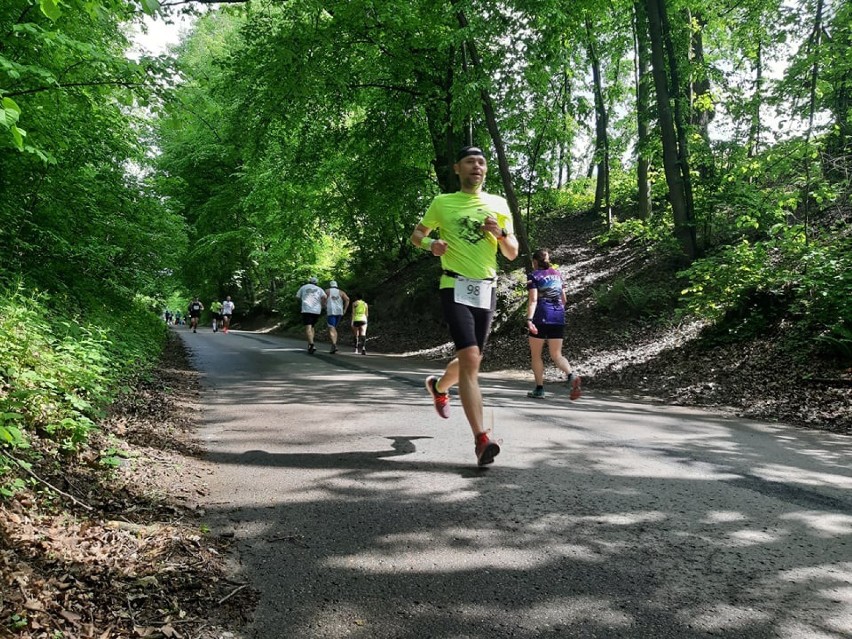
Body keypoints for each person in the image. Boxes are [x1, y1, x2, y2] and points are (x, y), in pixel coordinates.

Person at [410, 145, 519, 466]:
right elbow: (417, 235)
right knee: (471, 358)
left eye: (482, 162)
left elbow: (512, 252)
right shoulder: (442, 203)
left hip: (486, 288)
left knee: (472, 359)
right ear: (457, 168)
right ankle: (481, 438)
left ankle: (438, 386)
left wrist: (499, 233)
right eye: (470, 162)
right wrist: (432, 244)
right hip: (454, 283)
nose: (477, 166)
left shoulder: (498, 204)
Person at [525, 248, 582, 400]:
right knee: (557, 355)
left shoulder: (533, 276)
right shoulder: (558, 275)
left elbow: (533, 300)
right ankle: (571, 375)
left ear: (535, 262)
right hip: (558, 317)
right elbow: (564, 299)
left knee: (536, 355)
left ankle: (539, 388)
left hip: (541, 316)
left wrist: (529, 319)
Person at [295, 276, 326, 354]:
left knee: (308, 327)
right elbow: (325, 297)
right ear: (316, 283)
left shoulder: (304, 287)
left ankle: (311, 344)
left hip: (307, 309)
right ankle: (311, 344)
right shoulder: (319, 289)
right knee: (312, 327)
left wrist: (303, 300)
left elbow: (297, 297)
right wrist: (322, 305)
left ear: (309, 282)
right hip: (317, 310)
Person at [324, 281, 350, 354]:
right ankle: (334, 344)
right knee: (334, 328)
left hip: (331, 311)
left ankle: (334, 344)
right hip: (339, 311)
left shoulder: (327, 291)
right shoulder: (341, 292)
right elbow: (347, 299)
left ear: (330, 285)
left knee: (331, 328)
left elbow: (323, 298)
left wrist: (324, 305)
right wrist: (345, 309)